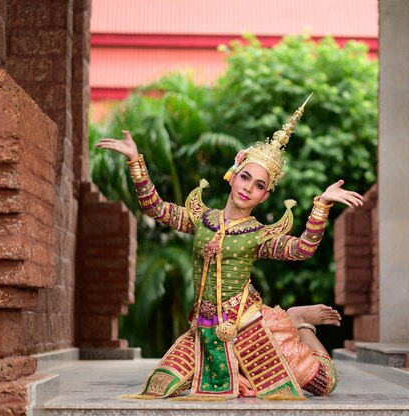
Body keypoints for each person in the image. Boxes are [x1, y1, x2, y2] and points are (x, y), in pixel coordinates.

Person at [96, 96, 364, 400]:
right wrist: (136, 161)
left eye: (259, 185)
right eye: (245, 177)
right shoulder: (200, 219)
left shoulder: (258, 235)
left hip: (249, 327)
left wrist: (322, 205)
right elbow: (155, 208)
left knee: (323, 384)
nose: (248, 187)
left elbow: (302, 248)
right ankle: (242, 364)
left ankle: (298, 322)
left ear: (264, 196)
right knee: (160, 385)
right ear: (232, 175)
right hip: (206, 329)